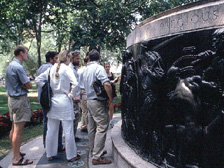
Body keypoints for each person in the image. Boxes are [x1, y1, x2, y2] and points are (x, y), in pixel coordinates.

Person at [35, 50, 81, 162]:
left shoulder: (51, 68)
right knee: (68, 130)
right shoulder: (66, 69)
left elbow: (38, 80)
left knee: (51, 129)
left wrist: (49, 89)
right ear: (67, 58)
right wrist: (71, 95)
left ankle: (50, 154)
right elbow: (75, 83)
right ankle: (71, 155)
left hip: (54, 101)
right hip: (64, 101)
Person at [81, 49, 113, 165]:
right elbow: (106, 84)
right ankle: (97, 157)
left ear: (89, 58)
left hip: (89, 100)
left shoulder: (85, 70)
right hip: (97, 101)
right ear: (99, 58)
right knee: (102, 126)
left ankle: (94, 150)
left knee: (91, 127)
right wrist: (110, 98)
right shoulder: (99, 68)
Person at [5, 45, 33, 165]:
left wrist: (23, 84)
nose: (27, 55)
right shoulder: (18, 67)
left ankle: (16, 152)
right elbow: (29, 85)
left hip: (12, 100)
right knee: (18, 130)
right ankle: (16, 158)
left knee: (13, 128)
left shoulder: (11, 65)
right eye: (26, 53)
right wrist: (25, 85)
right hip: (20, 100)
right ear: (21, 53)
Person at [37, 51, 64, 152]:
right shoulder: (50, 68)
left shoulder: (41, 68)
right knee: (53, 123)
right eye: (56, 58)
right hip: (48, 99)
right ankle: (56, 145)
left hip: (43, 99)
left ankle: (48, 145)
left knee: (46, 122)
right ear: (51, 59)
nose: (58, 60)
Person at [69, 50, 81, 142]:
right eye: (77, 58)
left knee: (76, 118)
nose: (78, 60)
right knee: (73, 118)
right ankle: (71, 137)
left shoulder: (74, 68)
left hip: (76, 97)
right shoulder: (70, 69)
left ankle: (73, 135)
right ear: (71, 58)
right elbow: (70, 84)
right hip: (73, 99)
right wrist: (74, 96)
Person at [104, 62, 119, 127]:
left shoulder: (112, 74)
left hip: (113, 93)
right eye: (106, 66)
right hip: (106, 93)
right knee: (105, 107)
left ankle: (111, 120)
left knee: (111, 107)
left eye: (108, 66)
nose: (107, 68)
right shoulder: (103, 75)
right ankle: (106, 120)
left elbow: (114, 84)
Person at [79, 56, 89, 132]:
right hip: (84, 91)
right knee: (86, 110)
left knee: (84, 110)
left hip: (85, 91)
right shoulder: (83, 71)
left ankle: (84, 125)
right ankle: (87, 126)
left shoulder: (85, 70)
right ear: (85, 63)